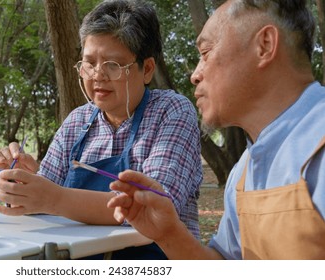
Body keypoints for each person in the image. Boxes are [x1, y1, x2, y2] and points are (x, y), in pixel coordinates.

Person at [108, 0, 325, 260]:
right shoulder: (244, 171)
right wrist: (168, 234)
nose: (195, 75)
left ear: (264, 45)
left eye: (205, 52)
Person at [0, 0, 202, 259]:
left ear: (146, 69)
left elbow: (158, 207)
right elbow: (40, 201)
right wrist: (19, 182)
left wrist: (53, 198)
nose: (97, 76)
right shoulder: (78, 121)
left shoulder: (171, 111)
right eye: (89, 63)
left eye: (113, 65)